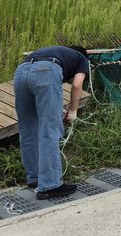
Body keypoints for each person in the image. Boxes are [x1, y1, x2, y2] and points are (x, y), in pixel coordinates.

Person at [14, 46, 90, 199]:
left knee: (28, 128)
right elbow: (76, 85)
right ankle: (50, 185)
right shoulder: (82, 59)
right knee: (50, 129)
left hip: (21, 72)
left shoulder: (57, 53)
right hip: (46, 71)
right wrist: (73, 111)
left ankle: (34, 178)